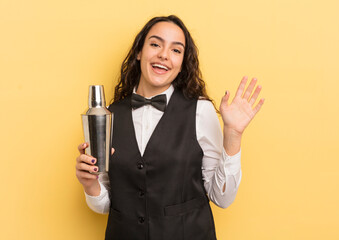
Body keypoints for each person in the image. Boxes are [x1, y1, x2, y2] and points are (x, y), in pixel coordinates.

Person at [75, 15, 264, 240]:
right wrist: (90, 184)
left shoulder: (200, 111)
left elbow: (222, 198)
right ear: (139, 52)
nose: (164, 55)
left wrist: (233, 134)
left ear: (182, 63)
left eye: (176, 50)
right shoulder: (107, 114)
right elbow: (106, 205)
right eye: (155, 44)